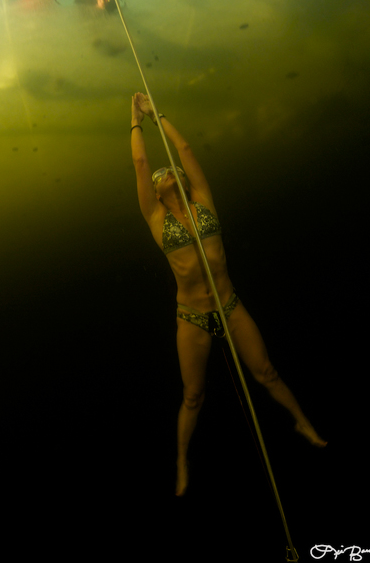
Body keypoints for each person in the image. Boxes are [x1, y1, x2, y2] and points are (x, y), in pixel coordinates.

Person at [129, 92, 326, 497]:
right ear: (156, 191)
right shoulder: (156, 217)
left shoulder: (203, 201)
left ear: (185, 182)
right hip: (192, 315)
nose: (167, 172)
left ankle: (303, 422)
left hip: (229, 304)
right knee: (193, 396)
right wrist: (135, 120)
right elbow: (141, 163)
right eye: (161, 176)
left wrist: (157, 114)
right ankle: (181, 460)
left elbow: (184, 149)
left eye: (173, 171)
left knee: (266, 372)